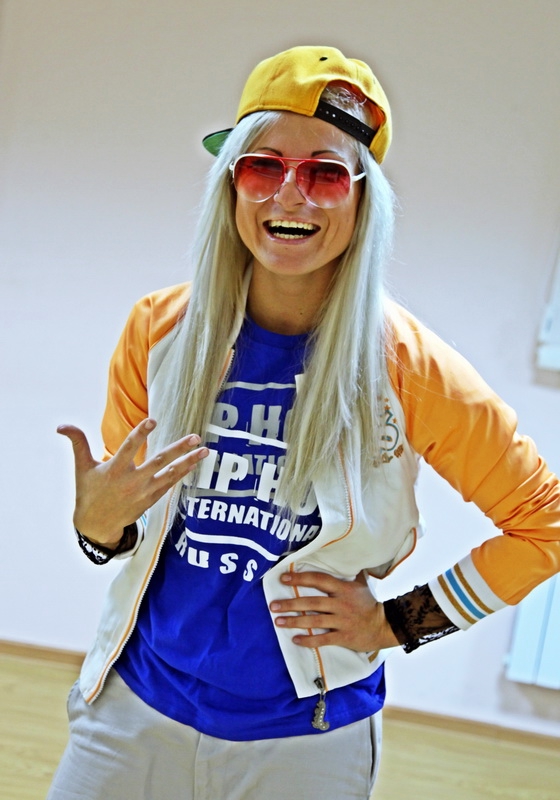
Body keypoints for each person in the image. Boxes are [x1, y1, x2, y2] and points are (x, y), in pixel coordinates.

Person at [47, 45, 560, 800]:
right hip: (134, 709)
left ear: (363, 201)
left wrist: (399, 622)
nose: (291, 196)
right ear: (231, 186)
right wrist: (96, 527)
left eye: (325, 174)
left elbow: (545, 524)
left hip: (305, 739)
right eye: (263, 167)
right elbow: (122, 533)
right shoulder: (157, 332)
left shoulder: (409, 368)